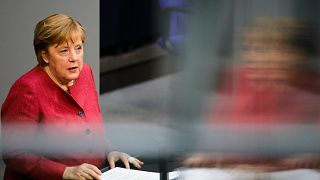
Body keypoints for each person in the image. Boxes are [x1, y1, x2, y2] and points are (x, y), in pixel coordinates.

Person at [1, 13, 143, 180]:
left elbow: (89, 130)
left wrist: (110, 151)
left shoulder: (85, 73)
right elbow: (13, 152)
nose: (74, 58)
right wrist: (65, 172)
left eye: (78, 48)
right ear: (45, 55)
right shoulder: (27, 89)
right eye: (63, 51)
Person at [183, 17, 320, 171]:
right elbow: (212, 139)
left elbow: (310, 156)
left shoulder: (313, 89)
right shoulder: (234, 81)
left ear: (292, 54)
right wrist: (210, 154)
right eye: (247, 49)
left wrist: (268, 169)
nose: (249, 57)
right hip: (232, 172)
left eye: (260, 50)